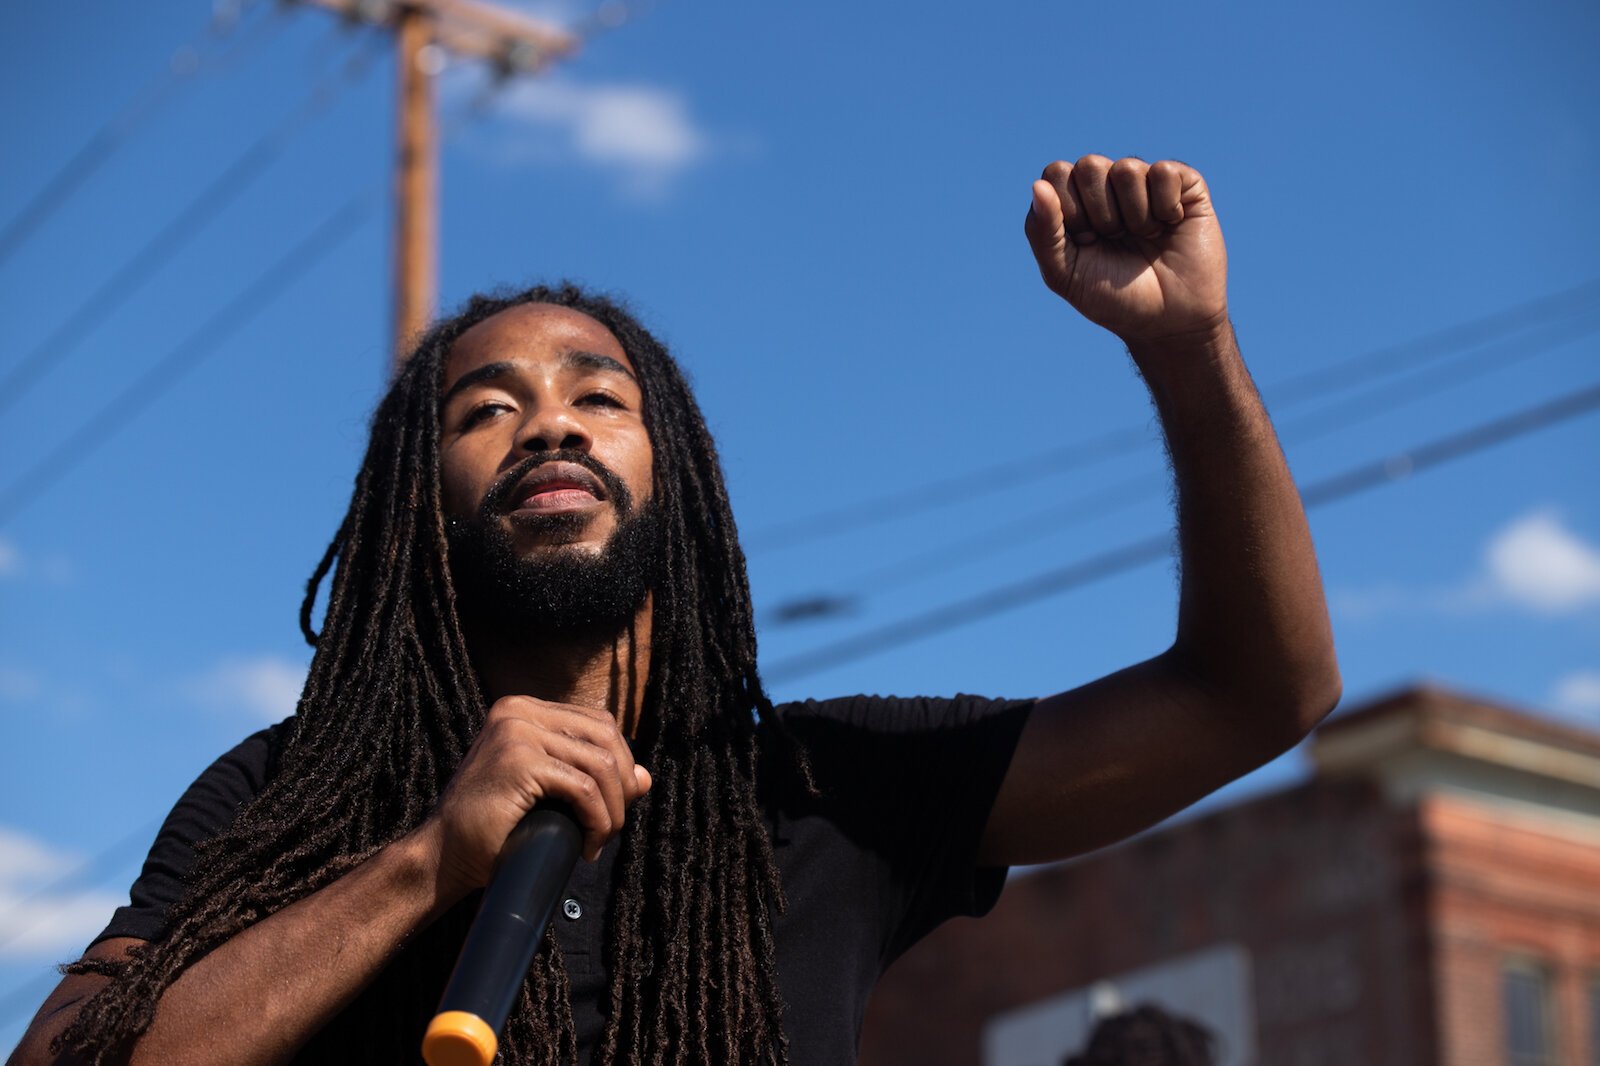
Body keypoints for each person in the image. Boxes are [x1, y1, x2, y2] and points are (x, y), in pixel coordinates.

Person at [9, 155, 1340, 1066]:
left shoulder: (825, 796)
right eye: (485, 410)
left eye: (599, 397)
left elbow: (1258, 695)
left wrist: (1189, 349)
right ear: (421, 507)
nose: (549, 425)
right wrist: (423, 862)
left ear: (678, 478)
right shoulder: (284, 798)